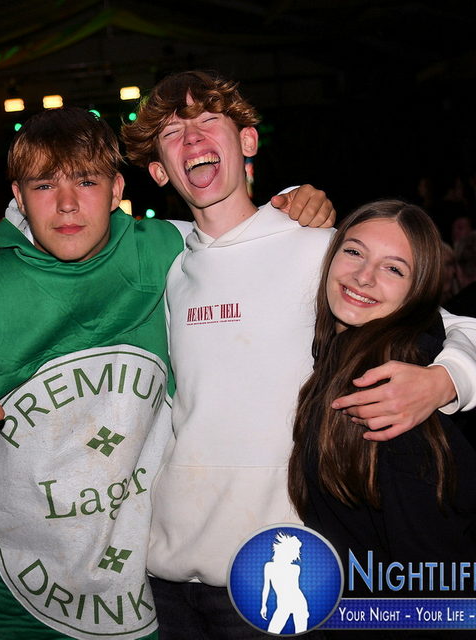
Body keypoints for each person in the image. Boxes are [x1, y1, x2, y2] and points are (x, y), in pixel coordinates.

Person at [0, 106, 332, 639]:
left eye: (87, 181)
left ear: (118, 188)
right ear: (19, 195)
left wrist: (294, 205)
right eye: (44, 185)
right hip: (23, 611)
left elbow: (247, 238)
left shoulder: (166, 248)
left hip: (155, 603)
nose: (68, 203)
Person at [121, 70, 476, 639]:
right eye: (172, 133)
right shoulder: (170, 264)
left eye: (208, 120)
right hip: (167, 572)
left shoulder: (321, 249)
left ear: (247, 141)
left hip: (276, 564)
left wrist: (447, 379)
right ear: (160, 171)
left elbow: (452, 322)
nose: (192, 139)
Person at [288, 200, 476, 637]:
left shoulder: (390, 400)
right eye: (354, 251)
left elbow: (441, 600)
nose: (364, 276)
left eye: (394, 268)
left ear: (417, 292)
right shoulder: (336, 360)